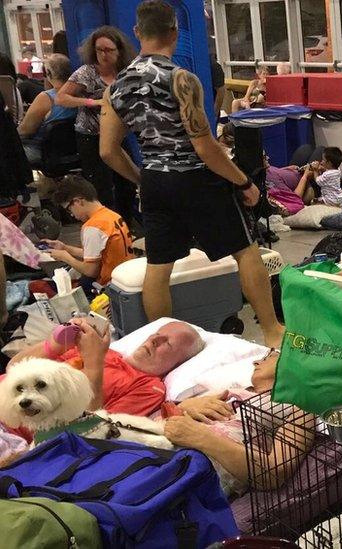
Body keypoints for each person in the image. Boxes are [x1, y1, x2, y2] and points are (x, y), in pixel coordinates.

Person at [99, 0, 284, 347]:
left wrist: (142, 178)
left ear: (137, 33)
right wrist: (243, 181)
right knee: (245, 250)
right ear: (174, 31)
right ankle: (273, 331)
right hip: (196, 179)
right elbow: (205, 147)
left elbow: (108, 151)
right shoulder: (180, 79)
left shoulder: (115, 88)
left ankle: (167, 345)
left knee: (159, 265)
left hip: (154, 182)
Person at [163, 348, 315, 493]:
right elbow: (168, 419)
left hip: (188, 470)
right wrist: (184, 406)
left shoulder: (299, 406)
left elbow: (274, 474)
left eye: (269, 356)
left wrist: (202, 438)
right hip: (159, 445)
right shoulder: (230, 391)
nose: (255, 362)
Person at [9, 319, 205, 418]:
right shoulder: (107, 351)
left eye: (167, 344)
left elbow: (90, 425)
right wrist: (55, 345)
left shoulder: (148, 388)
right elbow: (13, 367)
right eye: (156, 334)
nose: (154, 340)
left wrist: (93, 363)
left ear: (176, 364)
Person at [56, 26, 136, 215]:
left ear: (119, 50)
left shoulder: (125, 72)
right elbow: (61, 97)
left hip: (117, 134)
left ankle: (125, 224)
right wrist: (92, 101)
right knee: (101, 186)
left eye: (109, 50)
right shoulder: (86, 72)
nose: (103, 55)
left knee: (127, 182)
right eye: (99, 50)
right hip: (90, 136)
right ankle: (106, 226)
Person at [44, 176, 134, 291]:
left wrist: (65, 257)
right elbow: (95, 253)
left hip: (109, 285)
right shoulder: (111, 215)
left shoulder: (93, 226)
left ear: (78, 202)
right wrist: (65, 248)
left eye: (69, 209)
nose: (72, 215)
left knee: (51, 285)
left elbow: (90, 271)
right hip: (125, 275)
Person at [16, 54, 77, 165]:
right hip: (72, 152)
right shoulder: (80, 94)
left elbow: (25, 131)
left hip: (40, 151)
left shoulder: (46, 98)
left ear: (48, 73)